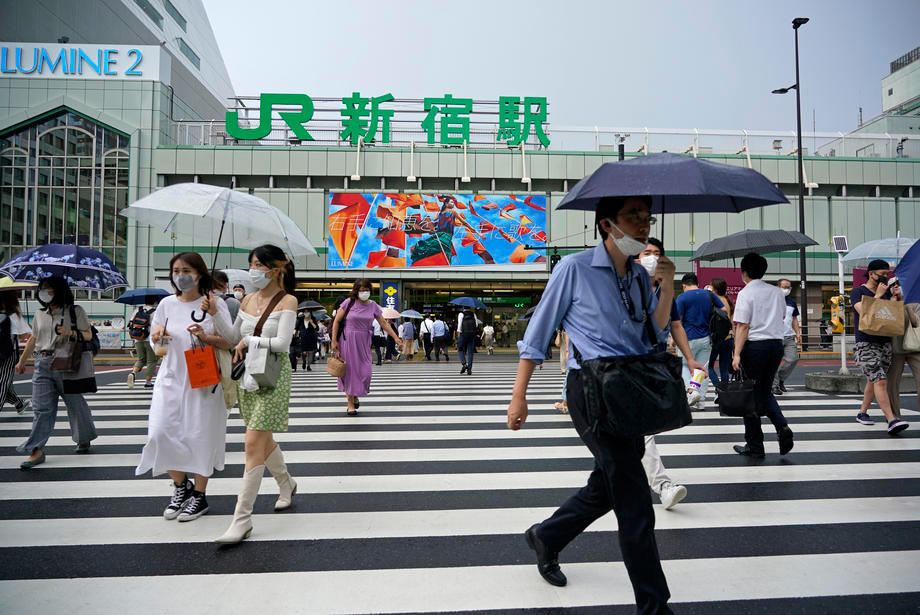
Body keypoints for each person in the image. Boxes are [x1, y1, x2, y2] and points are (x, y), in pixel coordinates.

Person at [507, 195, 675, 612]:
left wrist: (667, 284)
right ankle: (654, 606)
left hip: (630, 390)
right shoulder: (573, 268)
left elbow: (654, 334)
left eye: (647, 218)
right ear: (606, 224)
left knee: (607, 485)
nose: (643, 226)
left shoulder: (638, 276)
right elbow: (538, 333)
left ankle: (547, 536)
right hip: (590, 390)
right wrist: (519, 396)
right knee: (634, 498)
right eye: (633, 217)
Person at [210, 244, 299, 544]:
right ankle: (286, 484)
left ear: (277, 268)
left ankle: (242, 519)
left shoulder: (288, 300)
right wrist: (215, 314)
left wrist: (250, 341)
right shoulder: (246, 299)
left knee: (251, 443)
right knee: (263, 440)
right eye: (252, 264)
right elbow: (232, 338)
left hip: (272, 376)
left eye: (259, 264)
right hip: (247, 374)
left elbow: (283, 343)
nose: (253, 270)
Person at [135, 253, 233, 520]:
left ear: (199, 273)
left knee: (200, 437)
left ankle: (199, 495)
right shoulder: (166, 304)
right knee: (159, 433)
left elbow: (230, 341)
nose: (180, 276)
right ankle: (181, 486)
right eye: (176, 270)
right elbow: (157, 345)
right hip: (170, 379)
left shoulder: (213, 303)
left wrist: (206, 335)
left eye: (186, 270)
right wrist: (158, 338)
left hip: (203, 381)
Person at [636, 238, 696, 509]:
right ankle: (662, 485)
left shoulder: (666, 290)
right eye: (646, 252)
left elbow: (676, 325)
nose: (652, 257)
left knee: (634, 432)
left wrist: (690, 359)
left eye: (657, 253)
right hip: (628, 366)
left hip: (655, 365)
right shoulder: (624, 287)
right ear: (635, 257)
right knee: (642, 429)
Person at [16, 276, 98, 468]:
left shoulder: (75, 311)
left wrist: (69, 332)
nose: (44, 292)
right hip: (42, 362)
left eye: (49, 288)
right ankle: (36, 449)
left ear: (59, 291)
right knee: (41, 408)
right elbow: (34, 339)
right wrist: (22, 361)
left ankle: (83, 438)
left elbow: (88, 335)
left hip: (67, 361)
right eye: (42, 288)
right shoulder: (39, 314)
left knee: (75, 402)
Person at [730, 252, 795, 459]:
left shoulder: (745, 293)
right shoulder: (776, 292)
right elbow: (782, 316)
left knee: (749, 394)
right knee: (765, 391)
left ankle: (755, 445)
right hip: (775, 345)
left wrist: (736, 354)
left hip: (755, 347)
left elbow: (742, 326)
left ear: (744, 272)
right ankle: (782, 426)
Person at [852, 260, 909, 434]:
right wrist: (877, 296)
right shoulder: (858, 292)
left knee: (874, 379)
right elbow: (864, 312)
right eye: (882, 274)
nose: (885, 277)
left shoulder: (886, 293)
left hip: (885, 343)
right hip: (865, 343)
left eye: (887, 274)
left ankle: (862, 412)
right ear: (871, 274)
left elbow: (894, 316)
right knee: (880, 380)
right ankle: (891, 420)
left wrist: (896, 299)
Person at [331, 279, 399, 415]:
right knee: (350, 371)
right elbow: (337, 321)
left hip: (364, 341)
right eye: (361, 290)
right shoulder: (348, 303)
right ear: (356, 291)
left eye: (366, 290)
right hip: (348, 340)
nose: (364, 293)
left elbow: (384, 323)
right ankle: (350, 404)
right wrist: (334, 341)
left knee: (365, 373)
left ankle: (355, 395)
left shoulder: (373, 305)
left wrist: (395, 337)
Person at [675, 272, 724, 407]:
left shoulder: (682, 297)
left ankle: (691, 392)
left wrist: (673, 338)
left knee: (685, 365)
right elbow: (724, 309)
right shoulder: (709, 295)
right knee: (702, 368)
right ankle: (701, 400)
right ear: (697, 283)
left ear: (684, 285)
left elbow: (677, 321)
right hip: (706, 337)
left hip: (686, 338)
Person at [0, 289, 32, 414]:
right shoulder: (12, 315)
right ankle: (19, 403)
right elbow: (24, 335)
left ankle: (19, 404)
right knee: (3, 382)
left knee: (5, 383)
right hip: (8, 354)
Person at [888, 297, 920, 418]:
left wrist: (906, 307)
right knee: (892, 383)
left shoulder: (915, 304)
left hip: (915, 348)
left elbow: (916, 323)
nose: (897, 288)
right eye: (894, 287)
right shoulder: (887, 302)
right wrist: (893, 306)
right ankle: (894, 415)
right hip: (896, 349)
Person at [771, 278, 802, 395]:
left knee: (793, 359)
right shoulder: (771, 300)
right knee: (774, 362)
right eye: (784, 287)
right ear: (778, 287)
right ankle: (774, 385)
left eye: (789, 287)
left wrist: (798, 333)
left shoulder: (791, 302)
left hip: (789, 336)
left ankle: (780, 379)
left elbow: (794, 319)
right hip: (774, 336)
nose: (787, 289)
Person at [706, 277, 735, 387]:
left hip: (717, 338)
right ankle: (725, 391)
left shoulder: (713, 300)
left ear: (715, 288)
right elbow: (732, 322)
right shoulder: (728, 301)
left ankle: (719, 389)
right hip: (729, 338)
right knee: (724, 367)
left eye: (711, 285)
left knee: (709, 366)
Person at [127, 297, 160, 389]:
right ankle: (148, 382)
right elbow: (159, 326)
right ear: (154, 301)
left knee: (141, 359)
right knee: (151, 361)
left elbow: (130, 323)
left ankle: (133, 373)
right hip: (150, 339)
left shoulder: (137, 310)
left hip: (137, 339)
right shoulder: (155, 312)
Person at [456, 308, 479, 374]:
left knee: (460, 349)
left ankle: (464, 364)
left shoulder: (461, 314)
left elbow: (459, 325)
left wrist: (458, 335)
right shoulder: (473, 314)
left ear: (463, 307)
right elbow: (476, 325)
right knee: (470, 352)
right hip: (471, 335)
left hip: (463, 334)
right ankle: (469, 370)